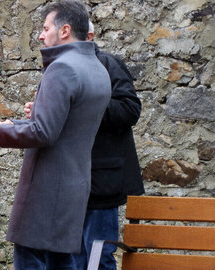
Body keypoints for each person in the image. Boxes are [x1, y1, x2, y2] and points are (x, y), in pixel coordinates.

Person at [0, 1, 112, 269]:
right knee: (63, 262)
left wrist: (1, 131)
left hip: (46, 190)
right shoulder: (97, 68)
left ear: (64, 31)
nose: (40, 35)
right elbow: (65, 125)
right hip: (74, 186)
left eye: (45, 28)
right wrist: (12, 122)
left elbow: (44, 131)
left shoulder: (62, 68)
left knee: (32, 261)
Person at [71, 21, 145, 270]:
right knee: (74, 257)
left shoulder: (109, 64)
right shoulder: (63, 69)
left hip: (103, 181)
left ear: (89, 36)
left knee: (98, 256)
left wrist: (87, 104)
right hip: (71, 180)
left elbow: (130, 109)